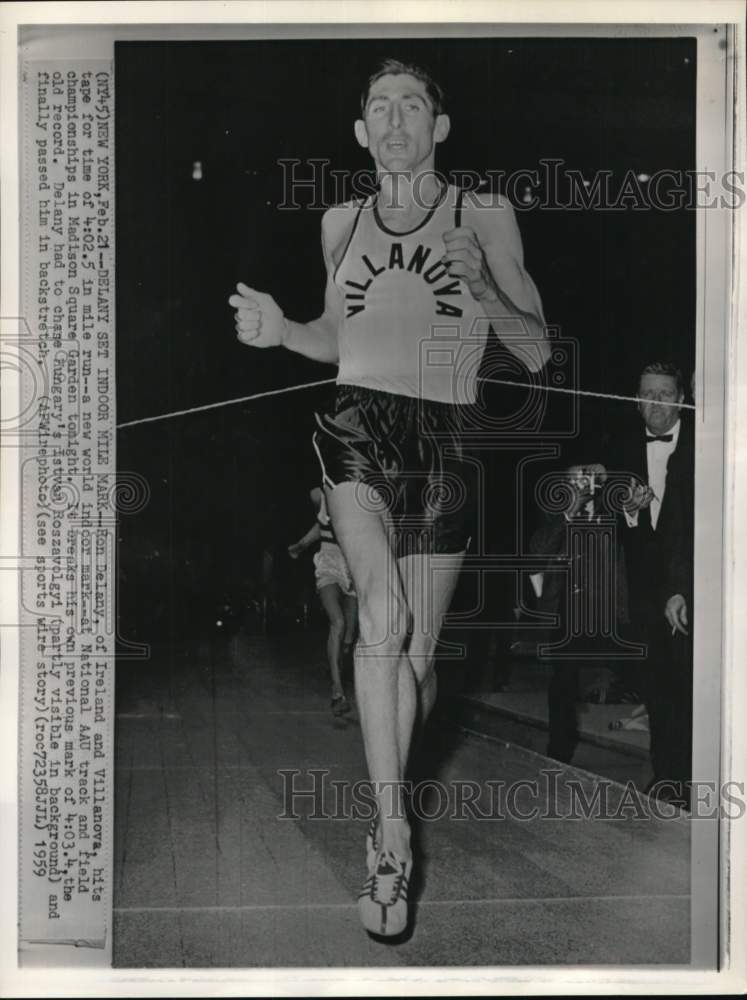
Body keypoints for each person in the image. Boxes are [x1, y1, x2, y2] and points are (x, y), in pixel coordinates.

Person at [230, 58, 548, 937]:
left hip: (446, 436)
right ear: (363, 134)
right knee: (381, 620)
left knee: (412, 664)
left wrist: (481, 282)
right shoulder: (341, 221)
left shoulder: (482, 213)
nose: (398, 120)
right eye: (381, 108)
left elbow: (530, 353)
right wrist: (282, 331)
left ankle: (390, 781)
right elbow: (336, 334)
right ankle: (390, 833)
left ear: (438, 127)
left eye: (414, 105)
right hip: (356, 428)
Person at [614, 361, 694, 807]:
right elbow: (620, 518)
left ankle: (693, 777)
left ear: (681, 398)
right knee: (658, 689)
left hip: (692, 589)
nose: (655, 402)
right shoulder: (624, 446)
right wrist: (628, 507)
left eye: (664, 393)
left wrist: (685, 588)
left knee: (690, 686)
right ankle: (667, 778)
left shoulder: (706, 444)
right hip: (647, 593)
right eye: (647, 393)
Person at [529, 460, 627, 763]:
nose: (581, 486)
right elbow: (536, 553)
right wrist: (568, 514)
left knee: (636, 674)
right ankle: (559, 751)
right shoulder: (555, 518)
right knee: (563, 682)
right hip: (568, 612)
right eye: (573, 482)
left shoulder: (613, 514)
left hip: (607, 612)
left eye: (587, 480)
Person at [289, 487, 357, 715]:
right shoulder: (320, 494)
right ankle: (337, 691)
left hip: (353, 567)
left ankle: (337, 667)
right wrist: (302, 544)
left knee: (348, 638)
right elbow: (323, 523)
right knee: (337, 622)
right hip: (328, 562)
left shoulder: (361, 495)